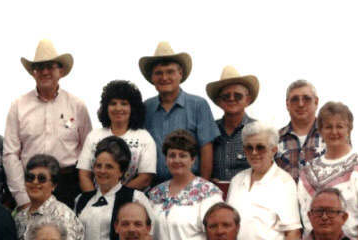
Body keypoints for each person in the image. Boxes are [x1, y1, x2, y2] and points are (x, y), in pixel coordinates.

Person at [4, 39, 92, 208]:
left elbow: (87, 150)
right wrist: (22, 197)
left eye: (50, 66)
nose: (45, 72)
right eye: (39, 67)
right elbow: (10, 154)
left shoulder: (77, 105)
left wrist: (84, 192)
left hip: (68, 185)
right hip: (31, 184)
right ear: (33, 73)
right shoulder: (18, 106)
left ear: (61, 70)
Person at [298, 102, 358, 240]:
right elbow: (304, 215)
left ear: (349, 129)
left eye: (339, 126)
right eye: (328, 127)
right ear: (320, 130)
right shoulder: (308, 171)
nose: (334, 132)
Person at [139, 42, 219, 185]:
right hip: (153, 188)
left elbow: (206, 149)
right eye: (158, 73)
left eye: (170, 72)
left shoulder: (198, 105)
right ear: (152, 78)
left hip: (191, 186)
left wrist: (202, 187)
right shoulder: (146, 108)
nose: (164, 77)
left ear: (180, 74)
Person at [75, 136, 154, 240]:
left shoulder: (135, 198)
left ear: (121, 171)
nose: (102, 171)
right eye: (98, 166)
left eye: (109, 167)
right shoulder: (82, 199)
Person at [226, 121, 301, 240]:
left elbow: (293, 233)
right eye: (249, 148)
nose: (254, 153)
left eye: (260, 147)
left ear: (273, 150)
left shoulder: (284, 183)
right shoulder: (236, 181)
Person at [148, 130, 224, 240]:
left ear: (193, 159)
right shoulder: (156, 194)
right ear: (166, 159)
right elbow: (148, 235)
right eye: (172, 155)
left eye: (182, 156)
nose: (176, 160)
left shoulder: (208, 193)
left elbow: (217, 237)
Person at [77, 80, 156, 192]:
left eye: (124, 103)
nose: (118, 108)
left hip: (130, 200)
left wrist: (117, 197)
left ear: (133, 108)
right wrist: (93, 199)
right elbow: (84, 174)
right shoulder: (94, 135)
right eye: (113, 103)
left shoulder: (144, 137)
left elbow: (145, 178)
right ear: (106, 107)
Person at [14, 154, 84, 240]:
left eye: (41, 178)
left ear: (54, 185)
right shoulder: (20, 217)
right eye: (30, 177)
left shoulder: (62, 214)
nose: (35, 182)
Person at [206, 66, 259, 185]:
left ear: (248, 99)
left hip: (248, 195)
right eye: (226, 96)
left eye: (238, 96)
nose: (231, 99)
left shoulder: (259, 131)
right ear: (219, 101)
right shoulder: (209, 130)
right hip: (216, 197)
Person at [275, 80, 324, 181]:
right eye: (295, 99)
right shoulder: (274, 139)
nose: (301, 104)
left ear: (316, 102)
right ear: (287, 104)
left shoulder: (332, 136)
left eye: (306, 98)